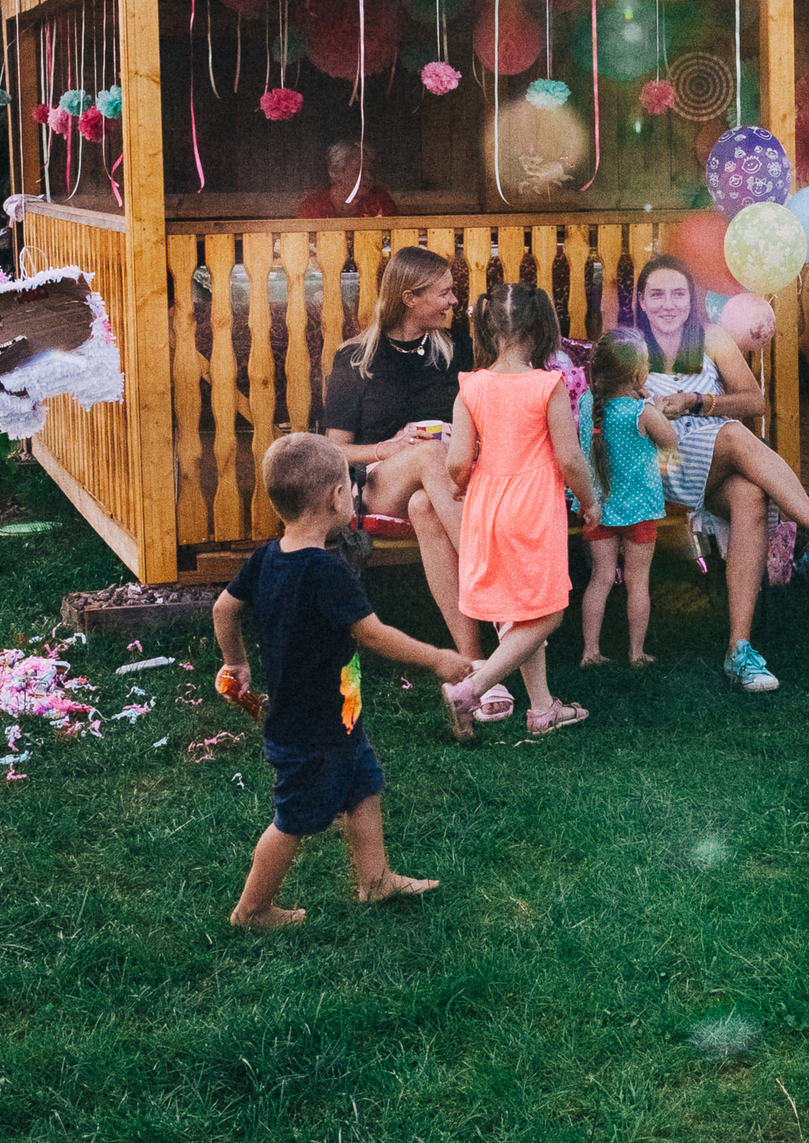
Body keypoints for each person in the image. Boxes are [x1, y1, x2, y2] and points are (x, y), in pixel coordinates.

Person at [215, 432, 472, 930]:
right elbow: (373, 634)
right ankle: (252, 909)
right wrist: (438, 658)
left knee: (364, 788)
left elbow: (224, 609)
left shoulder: (268, 557)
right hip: (312, 732)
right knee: (293, 821)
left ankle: (375, 882)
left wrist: (235, 662)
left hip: (336, 718)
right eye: (350, 489)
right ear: (338, 497)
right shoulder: (325, 571)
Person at [633, 255, 809, 694]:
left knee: (750, 497)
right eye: (657, 295)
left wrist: (698, 401)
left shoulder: (711, 338)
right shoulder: (630, 347)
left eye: (678, 294)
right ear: (642, 301)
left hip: (714, 458)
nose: (668, 304)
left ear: (691, 299)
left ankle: (739, 650)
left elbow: (754, 400)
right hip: (661, 463)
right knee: (735, 435)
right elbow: (613, 409)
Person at [312, 246, 506, 717]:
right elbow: (334, 450)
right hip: (380, 482)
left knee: (426, 508)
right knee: (427, 454)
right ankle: (501, 603)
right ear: (409, 297)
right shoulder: (356, 358)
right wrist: (389, 447)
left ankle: (475, 666)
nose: (454, 301)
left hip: (442, 484)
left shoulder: (456, 349)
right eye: (444, 292)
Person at [439, 284, 605, 739]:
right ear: (542, 330)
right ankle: (471, 690)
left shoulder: (470, 386)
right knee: (547, 613)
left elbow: (457, 460)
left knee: (519, 611)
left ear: (487, 330)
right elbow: (570, 459)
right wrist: (589, 501)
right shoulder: (547, 385)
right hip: (532, 508)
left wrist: (459, 485)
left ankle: (542, 708)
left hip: (486, 504)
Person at [575, 329, 679, 667]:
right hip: (640, 510)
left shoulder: (587, 404)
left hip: (599, 508)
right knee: (637, 581)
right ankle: (636, 653)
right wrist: (654, 406)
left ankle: (590, 651)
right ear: (636, 373)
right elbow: (670, 441)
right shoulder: (641, 412)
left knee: (600, 578)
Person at [295, 141, 400, 220]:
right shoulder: (314, 206)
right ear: (337, 173)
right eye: (358, 171)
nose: (368, 176)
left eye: (370, 171)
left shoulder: (380, 201)